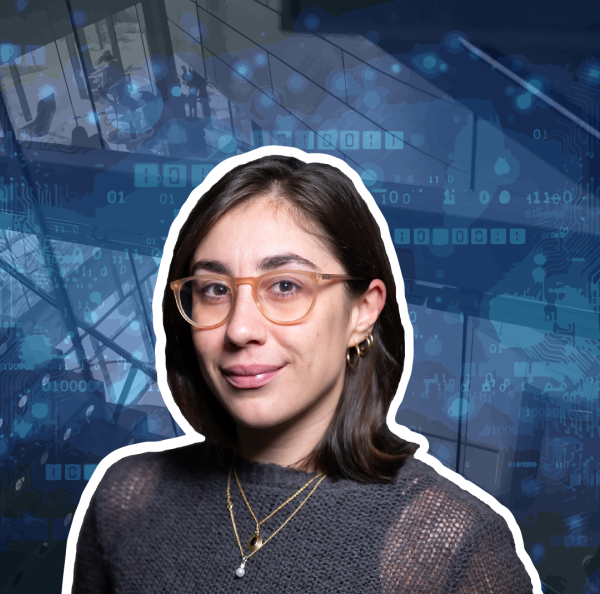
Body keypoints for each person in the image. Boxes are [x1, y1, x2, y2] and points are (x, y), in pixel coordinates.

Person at [67, 150, 538, 593]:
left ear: (362, 312)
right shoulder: (127, 497)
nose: (240, 328)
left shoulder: (453, 549)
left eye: (286, 285)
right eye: (213, 289)